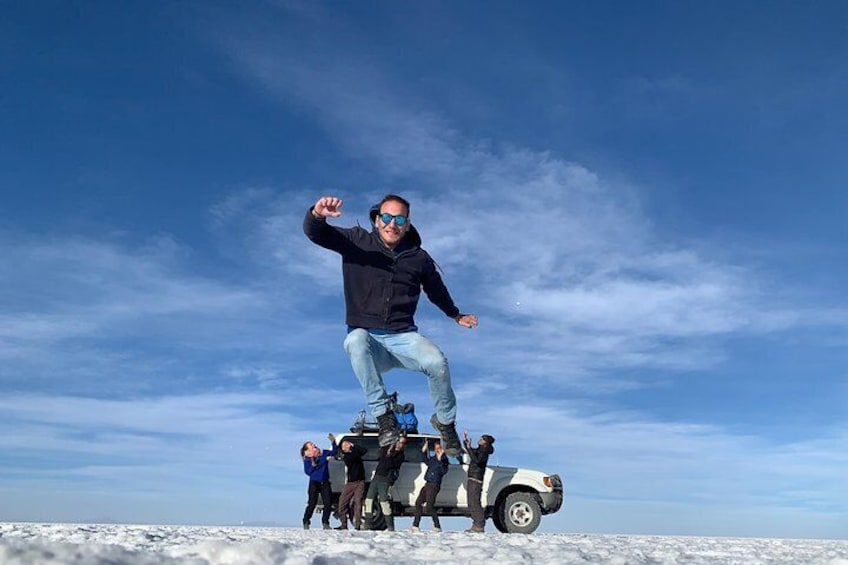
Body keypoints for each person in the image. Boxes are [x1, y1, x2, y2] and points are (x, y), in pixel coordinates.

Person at [303, 195, 478, 454]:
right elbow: (318, 234)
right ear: (376, 220)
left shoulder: (419, 258)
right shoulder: (357, 241)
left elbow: (436, 290)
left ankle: (445, 422)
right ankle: (384, 417)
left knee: (437, 363)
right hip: (370, 343)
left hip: (403, 337)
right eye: (386, 217)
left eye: (399, 219)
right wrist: (317, 215)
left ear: (407, 224)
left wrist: (455, 314)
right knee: (355, 340)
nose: (391, 224)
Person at [362, 436, 406, 531]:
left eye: (402, 443)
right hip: (376, 478)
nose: (400, 444)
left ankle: (390, 525)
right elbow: (381, 453)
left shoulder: (400, 455)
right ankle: (368, 524)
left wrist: (390, 454)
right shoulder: (387, 449)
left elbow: (392, 464)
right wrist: (388, 449)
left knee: (384, 502)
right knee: (369, 500)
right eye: (399, 442)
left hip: (386, 480)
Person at [300, 434, 338, 530]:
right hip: (314, 482)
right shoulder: (307, 459)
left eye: (313, 444)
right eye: (311, 445)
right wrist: (313, 464)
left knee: (328, 503)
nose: (314, 445)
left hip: (325, 482)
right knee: (312, 503)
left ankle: (325, 523)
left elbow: (334, 452)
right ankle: (306, 521)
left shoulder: (323, 453)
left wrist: (333, 442)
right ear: (307, 450)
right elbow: (308, 472)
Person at [411, 439, 450, 533]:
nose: (437, 450)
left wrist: (440, 460)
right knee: (418, 502)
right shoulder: (433, 459)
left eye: (439, 448)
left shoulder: (444, 459)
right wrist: (423, 451)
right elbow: (426, 461)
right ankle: (415, 526)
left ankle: (437, 526)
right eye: (436, 448)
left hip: (434, 485)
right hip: (427, 483)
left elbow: (444, 471)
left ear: (443, 449)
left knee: (429, 506)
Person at [462, 431, 495, 533]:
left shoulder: (485, 451)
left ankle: (480, 525)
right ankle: (476, 524)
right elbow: (471, 451)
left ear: (486, 442)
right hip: (472, 477)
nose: (479, 440)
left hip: (476, 479)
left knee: (475, 502)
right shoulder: (481, 449)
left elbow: (477, 461)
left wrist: (469, 449)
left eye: (482, 439)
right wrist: (466, 441)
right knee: (471, 502)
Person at [336, 439, 368, 530]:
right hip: (350, 483)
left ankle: (357, 525)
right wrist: (351, 448)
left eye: (347, 443)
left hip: (360, 482)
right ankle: (344, 525)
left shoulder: (356, 452)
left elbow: (364, 450)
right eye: (343, 445)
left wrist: (353, 446)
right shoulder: (347, 457)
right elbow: (354, 456)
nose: (346, 445)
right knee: (342, 504)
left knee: (358, 503)